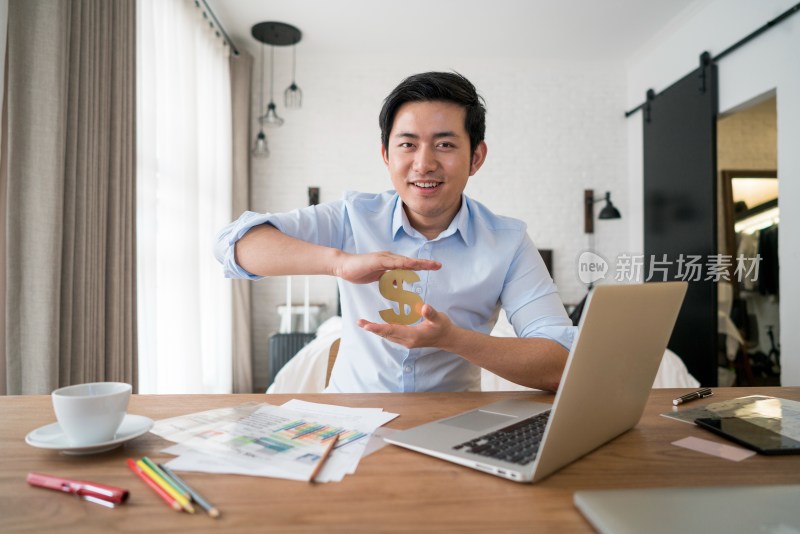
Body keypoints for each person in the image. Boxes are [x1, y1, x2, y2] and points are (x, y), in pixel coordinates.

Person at [215, 72, 575, 393]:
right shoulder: (353, 216)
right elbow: (234, 245)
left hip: (453, 423)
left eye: (445, 144)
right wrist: (339, 263)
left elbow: (560, 361)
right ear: (386, 154)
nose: (424, 163)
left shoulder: (508, 242)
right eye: (408, 144)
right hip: (350, 416)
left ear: (476, 157)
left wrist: (454, 340)